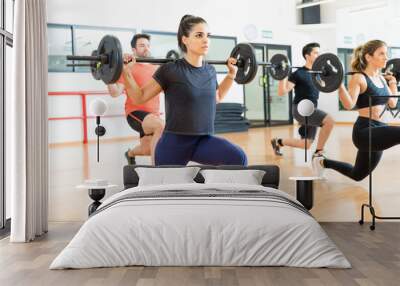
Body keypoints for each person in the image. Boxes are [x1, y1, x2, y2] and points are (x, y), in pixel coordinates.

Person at [121, 15, 247, 166]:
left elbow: (217, 96)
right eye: (199, 35)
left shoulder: (210, 71)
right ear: (185, 39)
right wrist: (126, 72)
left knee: (238, 158)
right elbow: (140, 97)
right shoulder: (170, 70)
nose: (206, 40)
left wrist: (231, 74)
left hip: (203, 141)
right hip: (174, 144)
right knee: (166, 187)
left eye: (208, 35)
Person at [313, 40, 399, 180]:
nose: (386, 57)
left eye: (386, 54)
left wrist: (393, 83)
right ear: (368, 57)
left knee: (357, 175)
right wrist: (339, 84)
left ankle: (322, 162)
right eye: (381, 53)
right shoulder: (359, 78)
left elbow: (393, 103)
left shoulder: (382, 79)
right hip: (365, 131)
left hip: (381, 129)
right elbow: (349, 104)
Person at [107, 33, 164, 165]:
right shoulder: (128, 68)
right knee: (161, 126)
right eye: (142, 45)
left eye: (148, 45)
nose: (146, 48)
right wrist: (107, 76)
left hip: (153, 115)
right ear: (134, 50)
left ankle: (130, 153)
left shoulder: (156, 68)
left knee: (147, 150)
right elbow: (115, 93)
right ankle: (157, 171)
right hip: (135, 113)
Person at [271, 43, 335, 162]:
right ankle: (319, 152)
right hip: (300, 109)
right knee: (329, 121)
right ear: (307, 56)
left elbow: (325, 85)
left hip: (311, 109)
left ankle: (278, 142)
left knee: (305, 144)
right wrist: (283, 74)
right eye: (316, 53)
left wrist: (329, 73)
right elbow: (282, 91)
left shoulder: (318, 73)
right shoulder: (298, 74)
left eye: (319, 53)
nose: (318, 55)